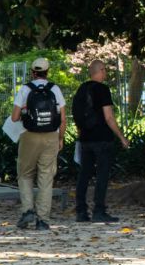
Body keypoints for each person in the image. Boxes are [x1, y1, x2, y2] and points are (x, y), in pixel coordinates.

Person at [71, 59, 131, 223]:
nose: (106, 73)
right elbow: (109, 116)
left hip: (85, 138)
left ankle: (81, 211)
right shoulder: (103, 90)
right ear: (101, 70)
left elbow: (76, 114)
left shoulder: (81, 89)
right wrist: (121, 137)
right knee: (102, 175)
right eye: (105, 70)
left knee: (84, 174)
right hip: (102, 138)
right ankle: (99, 210)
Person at [11, 57, 66, 230]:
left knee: (25, 174)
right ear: (47, 72)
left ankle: (27, 210)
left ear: (33, 73)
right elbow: (63, 119)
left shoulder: (25, 90)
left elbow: (14, 117)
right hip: (51, 136)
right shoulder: (55, 89)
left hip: (29, 136)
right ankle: (43, 220)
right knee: (46, 177)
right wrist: (60, 139)